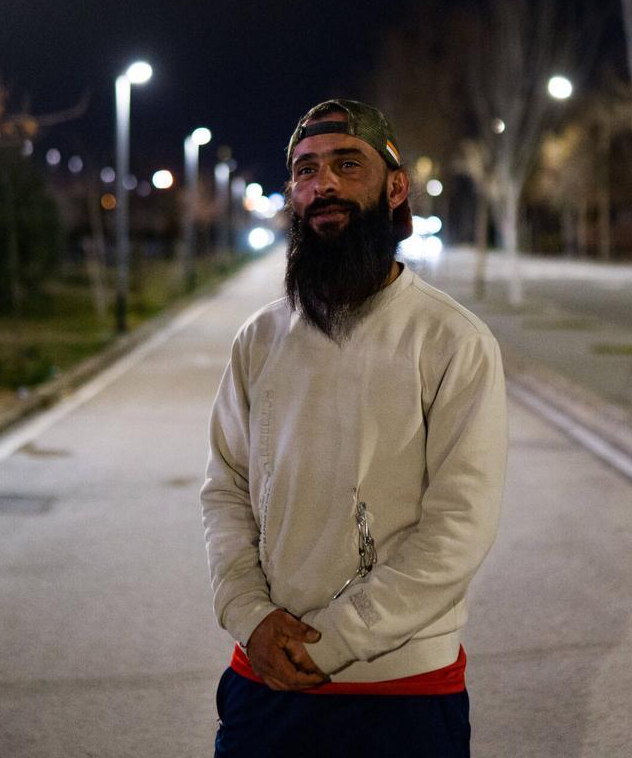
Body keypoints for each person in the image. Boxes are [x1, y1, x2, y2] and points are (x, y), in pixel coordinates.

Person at [201, 99, 507, 757]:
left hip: (403, 695)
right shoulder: (259, 340)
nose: (325, 186)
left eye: (347, 164)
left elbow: (461, 525)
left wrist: (336, 641)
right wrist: (250, 618)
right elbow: (224, 490)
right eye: (306, 171)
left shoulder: (452, 340)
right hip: (265, 683)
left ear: (395, 187)